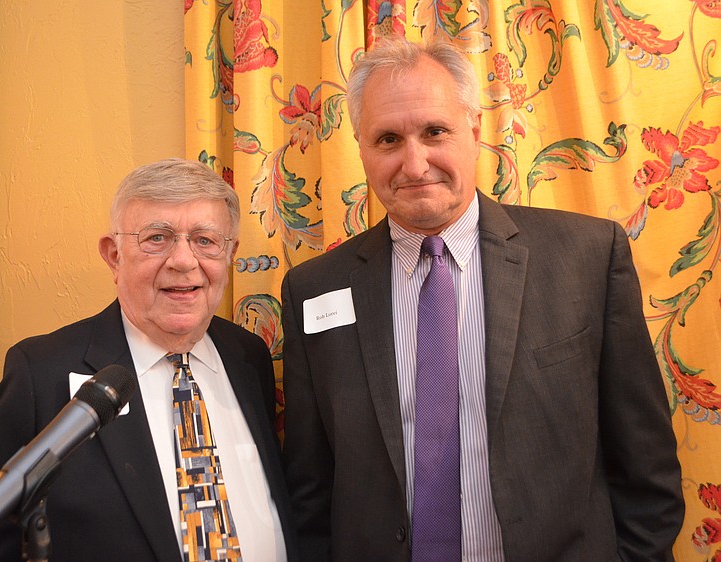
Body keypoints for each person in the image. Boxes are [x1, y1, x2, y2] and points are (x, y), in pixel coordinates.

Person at [280, 36, 684, 561]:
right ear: (360, 147)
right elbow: (311, 491)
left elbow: (645, 465)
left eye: (435, 131)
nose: (415, 162)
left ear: (473, 130)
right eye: (387, 139)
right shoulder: (313, 288)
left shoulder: (586, 258)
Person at [0, 158, 297, 562]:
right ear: (113, 255)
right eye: (157, 238)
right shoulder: (42, 373)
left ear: (230, 254)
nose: (183, 260)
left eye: (205, 240)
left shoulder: (249, 356)